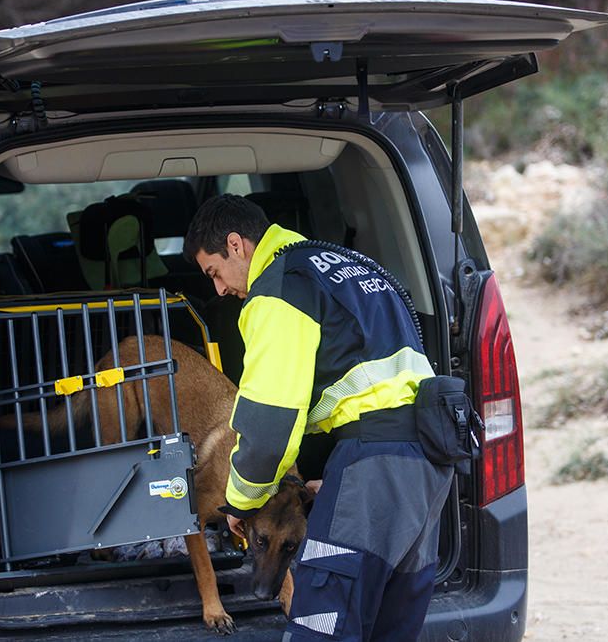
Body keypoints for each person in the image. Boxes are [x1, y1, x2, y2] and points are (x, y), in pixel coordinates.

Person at [183, 194, 454, 641]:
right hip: (426, 463)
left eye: (214, 272)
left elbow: (269, 427)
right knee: (388, 629)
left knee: (321, 627)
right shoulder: (347, 265)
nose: (218, 289)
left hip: (374, 463)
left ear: (236, 245)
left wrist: (241, 503)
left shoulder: (278, 288)